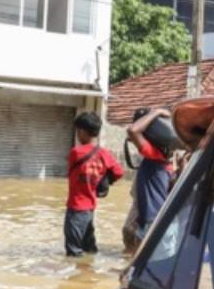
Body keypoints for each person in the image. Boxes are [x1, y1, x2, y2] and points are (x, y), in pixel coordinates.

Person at [64, 112, 124, 257]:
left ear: (82, 131)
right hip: (90, 209)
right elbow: (119, 172)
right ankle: (90, 275)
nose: (77, 134)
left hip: (76, 208)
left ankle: (76, 279)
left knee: (73, 252)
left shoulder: (75, 153)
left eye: (78, 130)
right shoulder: (104, 153)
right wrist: (103, 180)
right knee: (89, 249)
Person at [126, 107, 179, 240]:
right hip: (165, 221)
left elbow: (132, 130)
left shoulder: (154, 155)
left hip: (154, 222)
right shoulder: (169, 159)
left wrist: (157, 112)